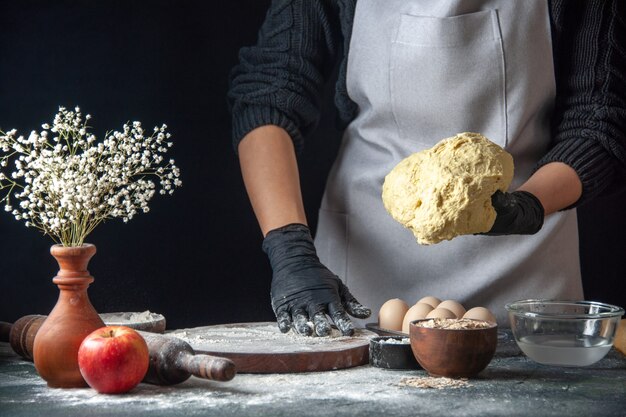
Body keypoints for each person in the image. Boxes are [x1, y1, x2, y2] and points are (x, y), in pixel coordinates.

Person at [228, 0, 626, 336]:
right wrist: (289, 248)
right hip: (366, 273)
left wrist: (531, 205)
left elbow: (599, 117)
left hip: (526, 275)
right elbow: (270, 91)